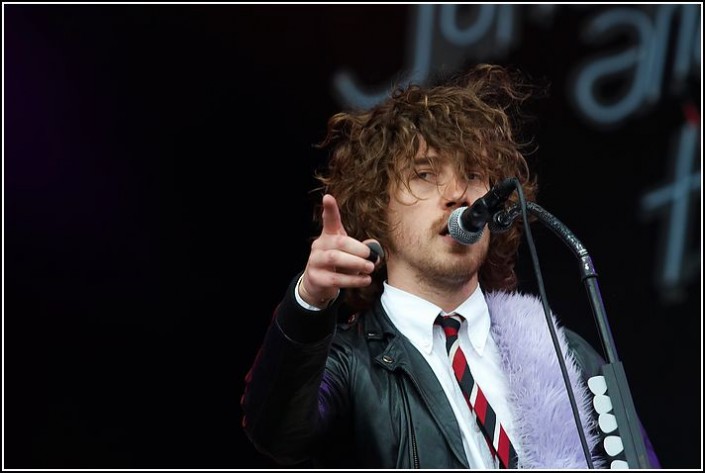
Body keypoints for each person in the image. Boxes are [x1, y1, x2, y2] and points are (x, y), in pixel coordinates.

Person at [240, 64, 660, 469]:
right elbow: (278, 434)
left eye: (474, 175)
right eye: (424, 174)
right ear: (376, 208)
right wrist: (309, 301)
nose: (458, 193)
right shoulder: (349, 364)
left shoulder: (562, 353)